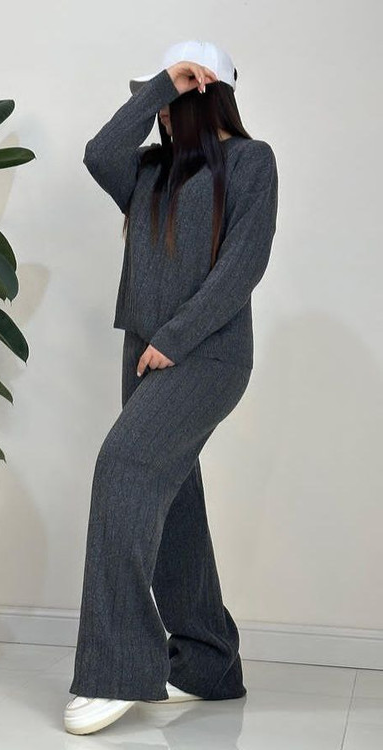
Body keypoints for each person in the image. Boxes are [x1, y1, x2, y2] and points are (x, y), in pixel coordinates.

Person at [63, 39, 279, 736]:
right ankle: (208, 663)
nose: (159, 112)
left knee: (123, 468)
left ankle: (116, 670)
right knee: (173, 502)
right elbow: (99, 152)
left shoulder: (251, 162)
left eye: (174, 98)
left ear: (207, 96)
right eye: (156, 98)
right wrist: (162, 84)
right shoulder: (148, 171)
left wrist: (176, 338)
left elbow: (242, 266)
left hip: (206, 356)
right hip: (144, 354)